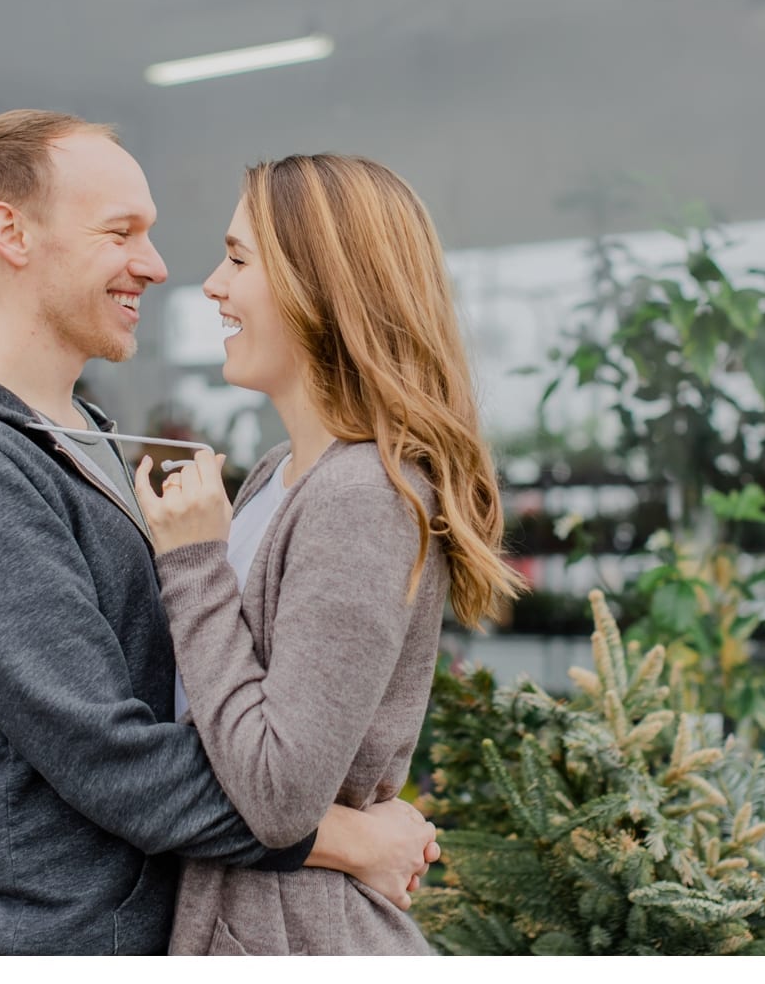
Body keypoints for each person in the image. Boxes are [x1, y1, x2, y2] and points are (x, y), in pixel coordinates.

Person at [0, 112, 438, 955]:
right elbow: (107, 756)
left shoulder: (86, 442)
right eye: (122, 232)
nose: (157, 267)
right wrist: (341, 838)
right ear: (9, 233)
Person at [134, 153, 525, 955]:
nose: (211, 284)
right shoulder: (280, 476)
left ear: (323, 288)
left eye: (239, 259)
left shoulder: (362, 497)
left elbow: (278, 793)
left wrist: (194, 564)